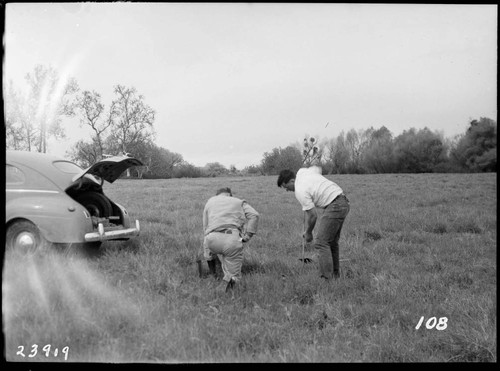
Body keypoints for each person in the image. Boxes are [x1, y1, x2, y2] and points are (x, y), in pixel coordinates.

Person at [277, 166, 350, 279]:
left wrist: (308, 233)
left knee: (321, 242)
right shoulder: (302, 171)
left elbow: (312, 215)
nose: (287, 190)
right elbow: (317, 168)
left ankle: (327, 279)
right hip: (343, 201)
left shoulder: (300, 190)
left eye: (286, 187)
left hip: (335, 205)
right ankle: (335, 276)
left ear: (292, 181)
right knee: (331, 243)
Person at [202, 187, 259, 293]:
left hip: (211, 239)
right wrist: (248, 235)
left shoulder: (210, 202)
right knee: (234, 276)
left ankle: (214, 276)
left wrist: (208, 253)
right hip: (231, 239)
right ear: (230, 195)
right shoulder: (238, 202)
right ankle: (225, 293)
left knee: (217, 253)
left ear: (217, 195)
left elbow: (205, 228)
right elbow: (254, 215)